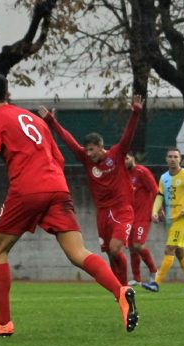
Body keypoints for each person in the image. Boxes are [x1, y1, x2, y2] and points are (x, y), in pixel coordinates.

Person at [0, 73, 138, 336]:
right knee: (78, 253)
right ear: (8, 93)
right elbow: (58, 157)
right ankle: (120, 291)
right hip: (58, 188)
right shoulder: (35, 120)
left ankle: (3, 322)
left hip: (27, 189)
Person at [38, 99, 142, 286]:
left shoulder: (116, 155)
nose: (88, 154)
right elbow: (68, 141)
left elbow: (128, 136)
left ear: (101, 147)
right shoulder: (87, 160)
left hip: (122, 210)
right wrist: (52, 121)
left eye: (92, 150)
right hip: (102, 213)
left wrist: (135, 113)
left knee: (115, 248)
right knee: (111, 254)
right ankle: (120, 291)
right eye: (86, 150)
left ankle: (125, 288)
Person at [141, 148, 184, 293]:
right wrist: (154, 211)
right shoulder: (163, 178)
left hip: (181, 219)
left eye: (175, 156)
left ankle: (156, 283)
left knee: (169, 249)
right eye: (170, 156)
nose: (173, 159)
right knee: (179, 252)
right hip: (169, 220)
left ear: (180, 159)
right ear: (166, 159)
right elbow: (160, 196)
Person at [125, 153, 159, 285]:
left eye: (127, 158)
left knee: (138, 245)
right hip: (129, 216)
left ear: (133, 158)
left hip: (143, 215)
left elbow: (155, 189)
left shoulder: (141, 171)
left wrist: (158, 209)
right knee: (132, 248)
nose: (124, 161)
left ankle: (153, 270)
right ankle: (137, 278)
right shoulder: (122, 174)